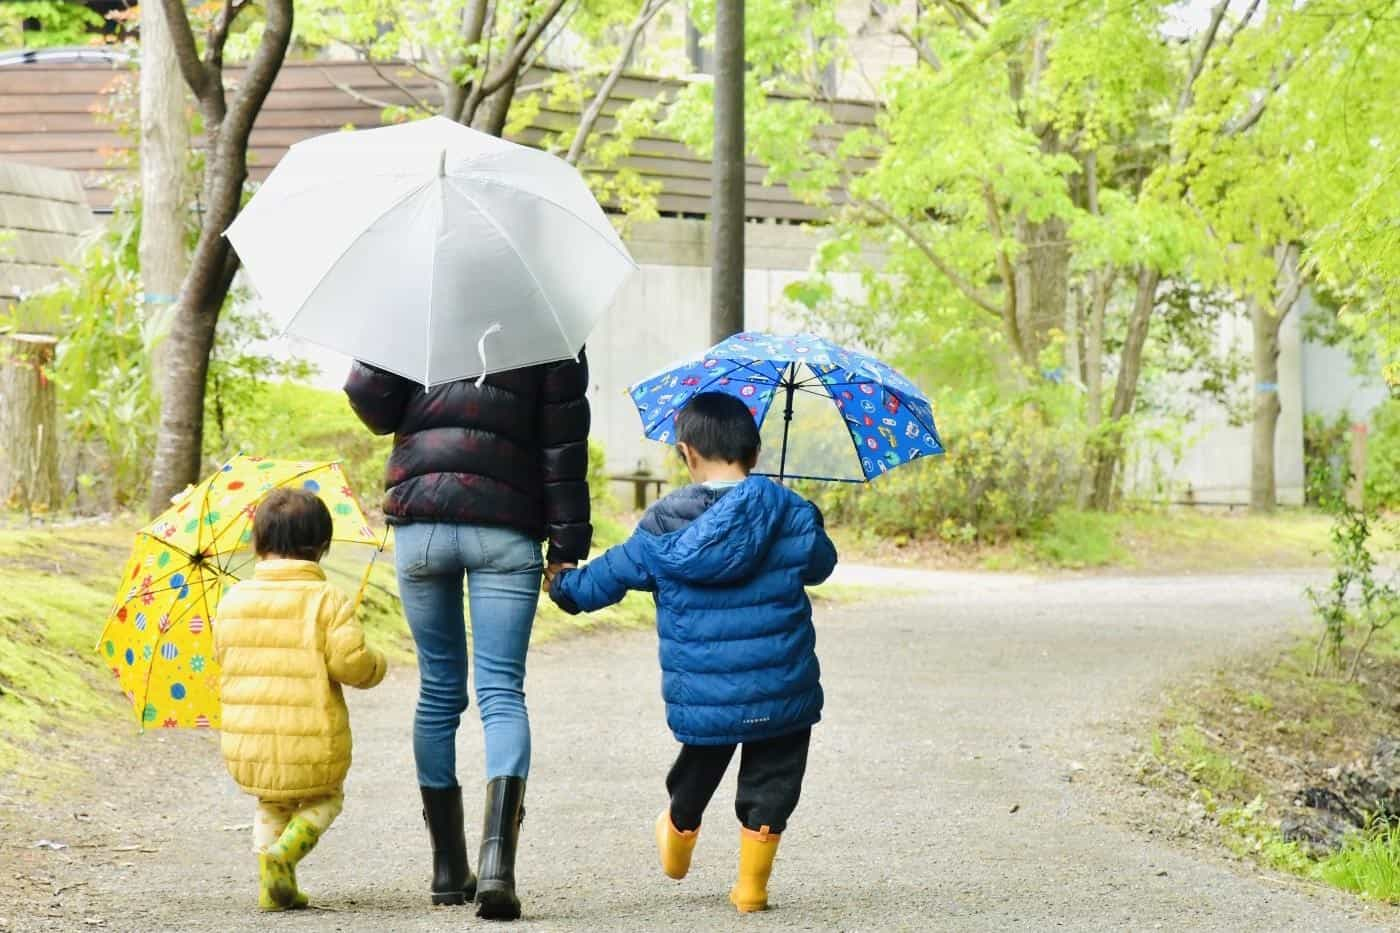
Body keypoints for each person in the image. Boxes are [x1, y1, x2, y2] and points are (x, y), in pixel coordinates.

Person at [547, 391, 838, 913]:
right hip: (781, 688)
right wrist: (806, 517)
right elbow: (821, 565)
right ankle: (751, 888)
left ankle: (679, 837)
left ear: (687, 453)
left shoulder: (664, 522)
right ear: (754, 451)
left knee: (697, 768)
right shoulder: (787, 510)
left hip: (705, 693)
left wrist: (563, 585)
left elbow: (603, 581)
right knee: (773, 780)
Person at [345, 352, 591, 920]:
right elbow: (563, 447)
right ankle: (498, 867)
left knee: (438, 692)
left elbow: (371, 402)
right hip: (506, 527)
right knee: (502, 692)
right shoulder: (549, 321)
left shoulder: (424, 299)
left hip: (421, 523)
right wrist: (567, 550)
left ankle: (447, 868)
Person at [214, 488, 388, 911]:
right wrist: (376, 664)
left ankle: (274, 885)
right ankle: (285, 854)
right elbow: (351, 665)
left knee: (270, 801)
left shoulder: (234, 599)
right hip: (312, 739)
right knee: (324, 798)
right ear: (322, 547)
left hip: (250, 740)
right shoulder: (326, 599)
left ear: (258, 544)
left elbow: (223, 655)